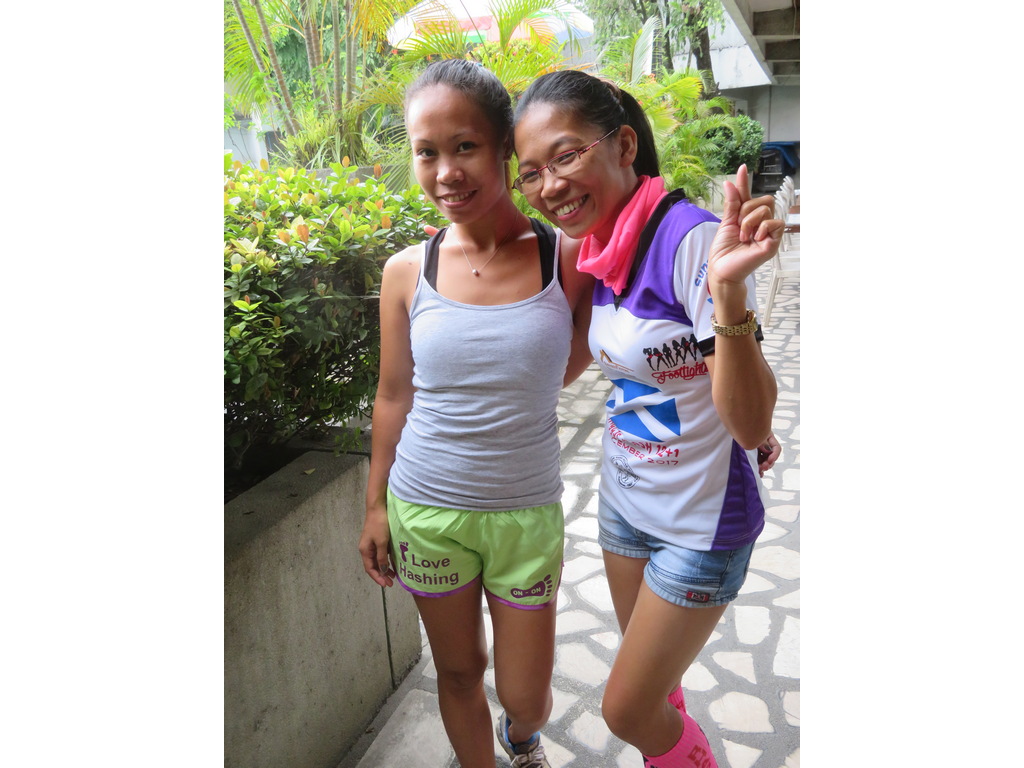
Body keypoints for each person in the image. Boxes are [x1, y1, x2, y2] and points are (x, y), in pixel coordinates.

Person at [512, 70, 784, 768]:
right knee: (658, 691)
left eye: (565, 156)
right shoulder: (597, 247)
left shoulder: (691, 241)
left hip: (701, 522)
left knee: (628, 708)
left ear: (624, 145)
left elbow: (749, 425)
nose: (549, 185)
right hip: (625, 507)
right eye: (531, 172)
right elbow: (570, 364)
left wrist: (728, 296)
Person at [357, 59, 594, 768]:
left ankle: (522, 736)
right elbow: (393, 395)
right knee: (459, 671)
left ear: (503, 148)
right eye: (426, 152)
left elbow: (567, 363)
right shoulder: (408, 270)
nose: (445, 172)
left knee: (528, 695)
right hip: (426, 509)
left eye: (464, 147)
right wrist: (375, 506)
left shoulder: (567, 257)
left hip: (525, 514)